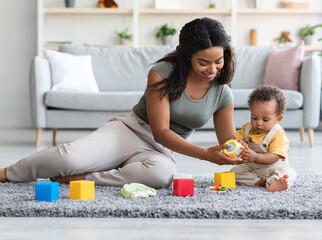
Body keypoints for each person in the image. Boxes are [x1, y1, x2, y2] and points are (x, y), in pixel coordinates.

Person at [0, 17, 241, 188]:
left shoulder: (222, 92)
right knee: (69, 158)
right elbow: (161, 131)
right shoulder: (162, 72)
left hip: (161, 151)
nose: (212, 69)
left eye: (218, 61)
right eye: (203, 62)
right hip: (130, 131)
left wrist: (248, 150)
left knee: (162, 175)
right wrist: (205, 155)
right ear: (186, 57)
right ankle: (8, 173)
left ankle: (84, 179)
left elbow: (229, 142)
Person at [229, 85, 297, 192]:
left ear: (278, 119)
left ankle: (275, 181)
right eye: (254, 118)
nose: (258, 123)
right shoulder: (247, 128)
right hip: (252, 168)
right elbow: (231, 139)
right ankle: (261, 182)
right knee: (233, 173)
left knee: (289, 173)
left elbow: (274, 157)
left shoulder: (278, 134)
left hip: (274, 168)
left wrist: (255, 157)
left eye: (265, 120)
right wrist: (235, 142)